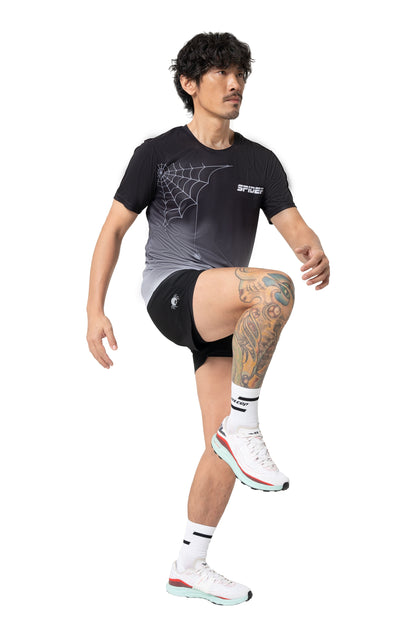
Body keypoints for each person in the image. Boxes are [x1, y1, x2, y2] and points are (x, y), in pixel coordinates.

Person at [86, 32, 330, 606]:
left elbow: (293, 225)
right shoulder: (157, 152)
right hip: (172, 291)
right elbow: (113, 229)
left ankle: (189, 564)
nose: (234, 83)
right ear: (189, 84)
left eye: (240, 73)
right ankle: (245, 425)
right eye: (221, 73)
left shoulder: (260, 160)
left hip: (226, 308)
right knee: (273, 289)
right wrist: (94, 309)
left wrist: (315, 248)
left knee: (219, 449)